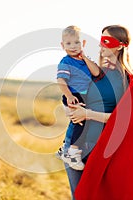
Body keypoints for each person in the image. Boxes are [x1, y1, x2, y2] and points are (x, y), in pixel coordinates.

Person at [65, 25, 133, 199]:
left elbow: (124, 120)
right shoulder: (96, 73)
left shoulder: (131, 80)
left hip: (105, 149)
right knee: (79, 196)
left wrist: (87, 114)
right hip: (76, 143)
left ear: (120, 46)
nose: (101, 45)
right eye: (101, 40)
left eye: (106, 41)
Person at [56, 25, 99, 171]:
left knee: (77, 122)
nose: (73, 46)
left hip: (85, 95)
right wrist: (69, 96)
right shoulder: (66, 62)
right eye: (68, 43)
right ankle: (72, 152)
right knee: (80, 123)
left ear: (83, 44)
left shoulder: (85, 60)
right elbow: (61, 81)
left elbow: (96, 72)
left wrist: (85, 57)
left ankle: (65, 149)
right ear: (62, 45)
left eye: (76, 42)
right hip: (74, 95)